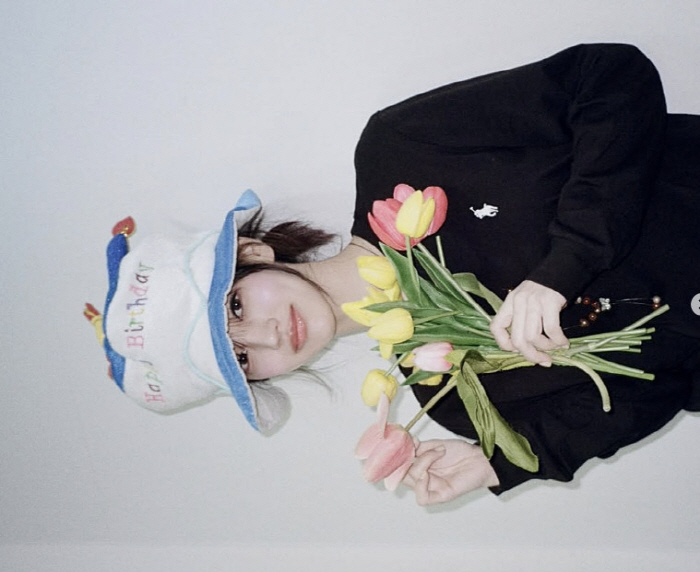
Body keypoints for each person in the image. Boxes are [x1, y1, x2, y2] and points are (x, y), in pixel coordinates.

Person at [88, 43, 700, 505]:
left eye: (236, 309)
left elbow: (610, 78)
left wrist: (568, 263)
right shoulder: (454, 397)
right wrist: (502, 462)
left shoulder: (401, 149)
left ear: (253, 254)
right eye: (242, 359)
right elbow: (657, 390)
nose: (268, 336)